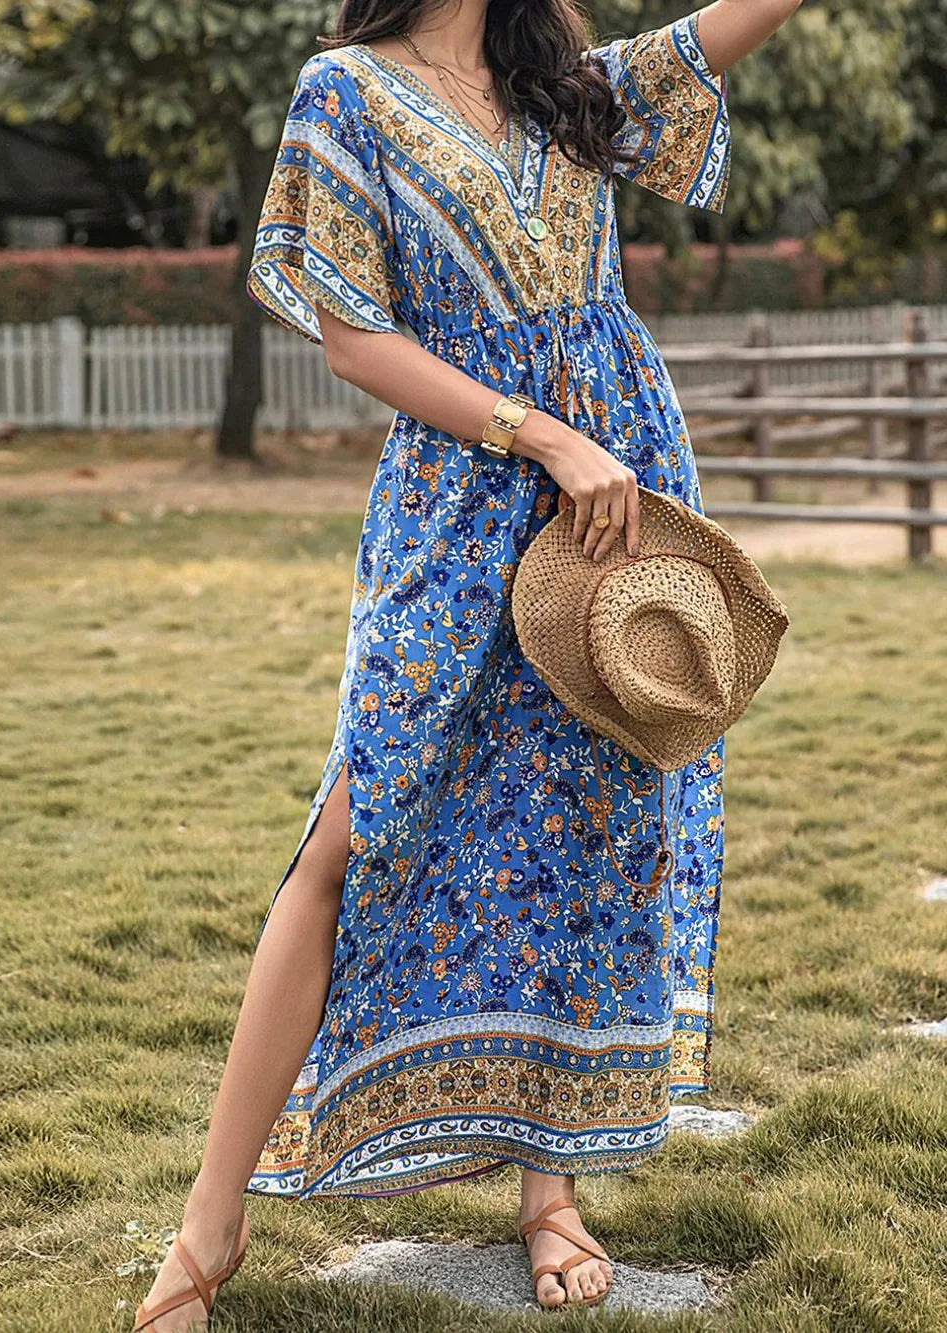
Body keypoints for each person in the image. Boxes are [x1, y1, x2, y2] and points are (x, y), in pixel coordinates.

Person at [133, 0, 803, 1326]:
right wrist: (540, 434)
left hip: (616, 509)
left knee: (590, 832)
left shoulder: (570, 84)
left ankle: (552, 1194)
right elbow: (352, 337)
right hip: (464, 504)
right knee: (357, 828)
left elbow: (735, 23)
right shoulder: (346, 92)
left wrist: (585, 449)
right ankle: (210, 1222)